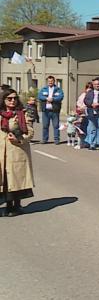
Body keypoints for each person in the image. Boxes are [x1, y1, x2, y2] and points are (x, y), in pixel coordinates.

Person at [0, 89, 34, 217]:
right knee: (5, 179)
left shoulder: (22, 114)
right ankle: (8, 206)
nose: (12, 100)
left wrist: (19, 139)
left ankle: (16, 206)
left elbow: (30, 132)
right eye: (9, 98)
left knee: (16, 179)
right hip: (2, 151)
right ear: (3, 100)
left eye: (14, 98)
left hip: (17, 150)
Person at [84, 78, 99, 150]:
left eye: (98, 84)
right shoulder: (90, 92)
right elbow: (85, 101)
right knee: (92, 129)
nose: (97, 85)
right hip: (91, 113)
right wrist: (91, 104)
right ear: (93, 85)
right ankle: (92, 144)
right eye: (95, 84)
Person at [37, 76, 63, 144]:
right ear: (47, 82)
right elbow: (39, 96)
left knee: (56, 126)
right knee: (45, 126)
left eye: (51, 81)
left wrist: (53, 99)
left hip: (55, 111)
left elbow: (61, 96)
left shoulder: (58, 89)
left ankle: (56, 140)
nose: (50, 82)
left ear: (54, 81)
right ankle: (44, 139)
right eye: (49, 81)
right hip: (46, 111)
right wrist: (46, 98)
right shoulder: (44, 89)